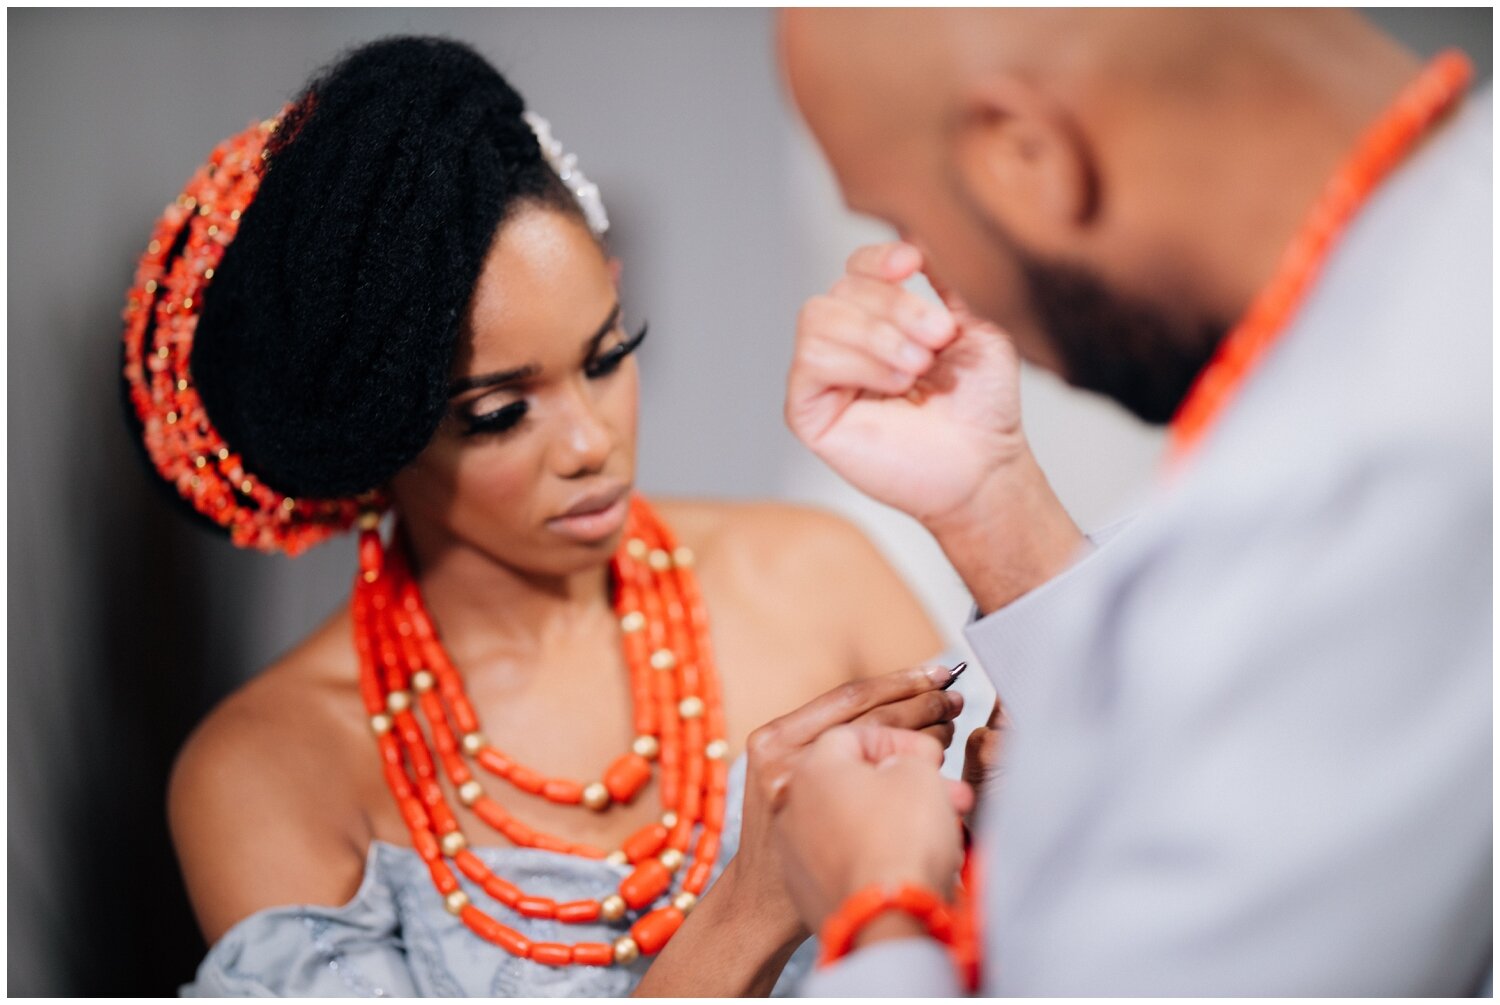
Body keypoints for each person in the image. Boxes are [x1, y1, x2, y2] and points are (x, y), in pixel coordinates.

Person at [125, 36, 965, 996]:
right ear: (379, 444)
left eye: (608, 354)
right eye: (498, 412)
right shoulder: (269, 769)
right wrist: (749, 908)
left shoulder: (818, 574)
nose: (588, 440)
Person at [769, 9, 1491, 996]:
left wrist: (874, 908)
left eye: (904, 223)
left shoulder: (1375, 476)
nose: (923, 267)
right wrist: (992, 505)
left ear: (1027, 156)